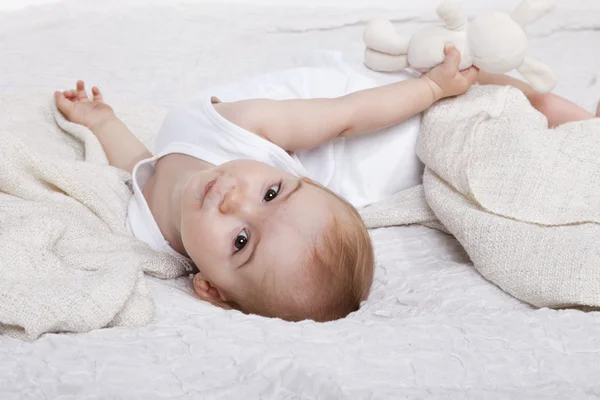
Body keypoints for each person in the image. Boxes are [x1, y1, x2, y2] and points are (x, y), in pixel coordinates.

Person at [54, 46, 599, 322]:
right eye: (240, 242)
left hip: (380, 116)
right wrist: (434, 93)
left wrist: (103, 124)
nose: (234, 199)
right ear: (211, 288)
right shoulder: (236, 156)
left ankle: (568, 118)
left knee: (494, 90)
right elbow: (342, 116)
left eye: (243, 239)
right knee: (509, 111)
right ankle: (576, 127)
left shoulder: (223, 145)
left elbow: (145, 169)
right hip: (394, 148)